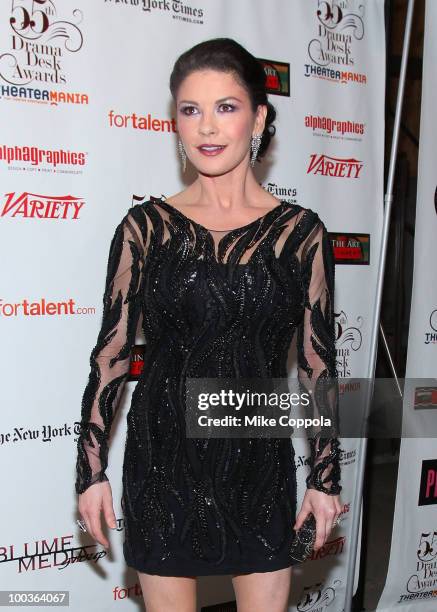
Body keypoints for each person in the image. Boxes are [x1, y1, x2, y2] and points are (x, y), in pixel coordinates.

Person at [75, 37, 343, 612]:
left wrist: (325, 479)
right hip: (162, 459)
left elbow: (318, 365)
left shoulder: (301, 234)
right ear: (175, 123)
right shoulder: (144, 229)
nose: (207, 127)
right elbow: (113, 354)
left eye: (226, 106)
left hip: (257, 460)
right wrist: (90, 468)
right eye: (190, 110)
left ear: (259, 118)